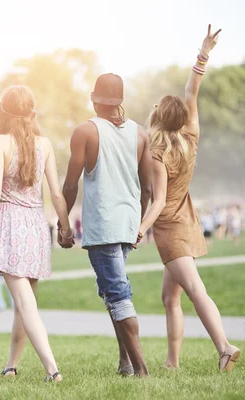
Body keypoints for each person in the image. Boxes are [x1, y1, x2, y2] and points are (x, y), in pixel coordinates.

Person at [138, 25, 241, 372]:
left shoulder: (159, 152)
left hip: (170, 228)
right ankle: (172, 363)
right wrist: (204, 51)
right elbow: (191, 90)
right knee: (170, 298)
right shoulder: (191, 134)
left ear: (158, 118)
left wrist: (140, 229)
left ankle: (224, 346)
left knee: (195, 290)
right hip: (188, 221)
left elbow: (157, 201)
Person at [0, 86, 73, 382]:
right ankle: (11, 365)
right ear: (32, 113)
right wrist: (65, 228)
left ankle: (53, 370)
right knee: (23, 302)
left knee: (25, 304)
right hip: (37, 229)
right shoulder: (45, 144)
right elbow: (56, 194)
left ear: (3, 111)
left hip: (12, 229)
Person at [62, 73, 153, 377]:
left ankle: (141, 370)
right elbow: (148, 189)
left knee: (117, 294)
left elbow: (71, 185)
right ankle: (125, 363)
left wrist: (64, 224)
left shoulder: (85, 132)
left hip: (103, 225)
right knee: (111, 292)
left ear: (93, 99)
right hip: (127, 223)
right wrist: (139, 224)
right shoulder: (140, 135)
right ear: (121, 101)